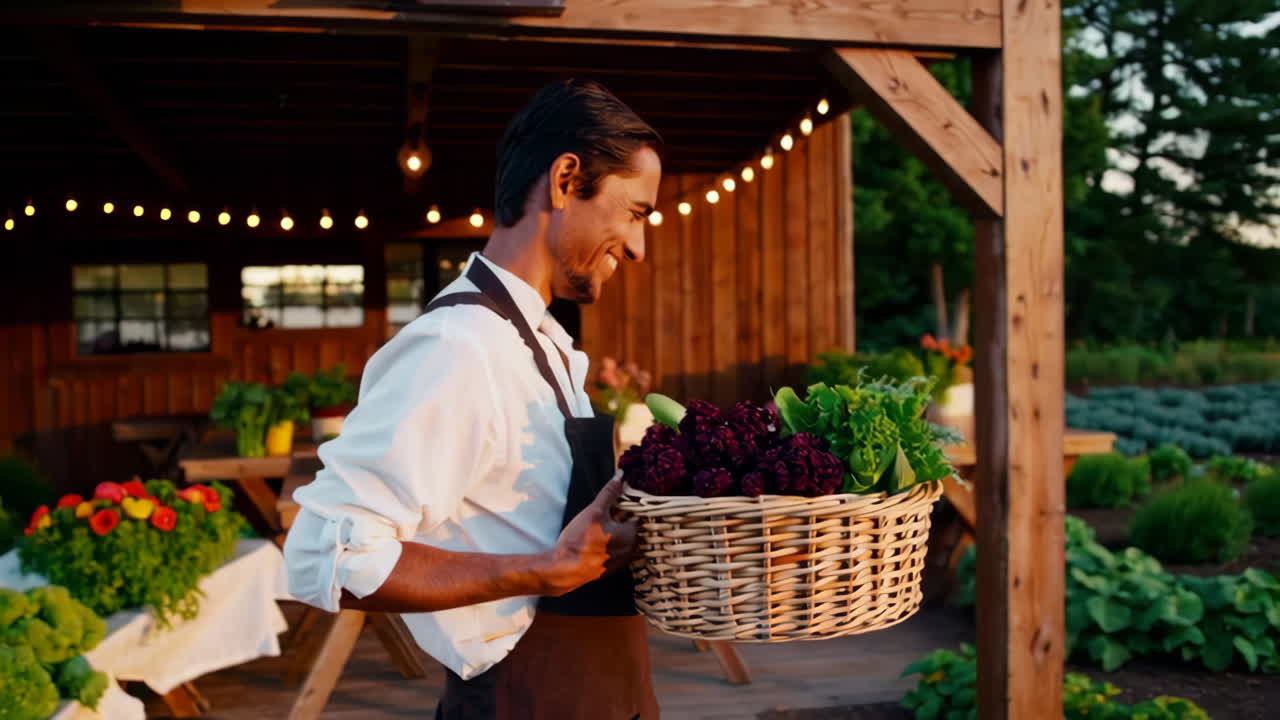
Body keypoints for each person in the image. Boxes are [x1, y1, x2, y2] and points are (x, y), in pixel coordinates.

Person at [283, 79, 663, 720]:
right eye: (635, 212)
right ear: (567, 179)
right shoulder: (458, 345)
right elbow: (332, 553)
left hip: (608, 692)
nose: (637, 246)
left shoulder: (539, 341)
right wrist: (540, 569)